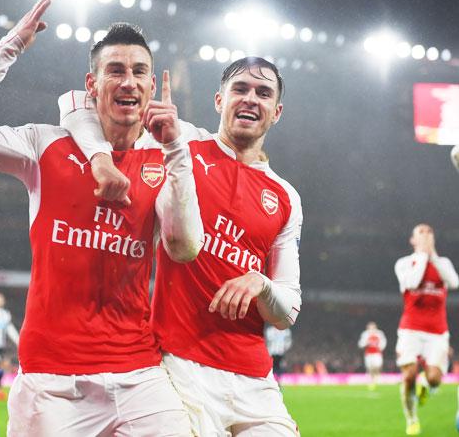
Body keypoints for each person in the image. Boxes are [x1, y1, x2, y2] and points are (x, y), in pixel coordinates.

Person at [0, 0, 203, 437]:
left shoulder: (169, 152)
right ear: (91, 85)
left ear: (153, 86)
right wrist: (10, 47)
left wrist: (175, 147)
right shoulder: (45, 145)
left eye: (140, 72)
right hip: (52, 379)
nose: (129, 81)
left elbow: (184, 246)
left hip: (137, 370)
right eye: (115, 70)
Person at [60, 55, 302, 436]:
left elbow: (287, 310)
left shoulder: (286, 197)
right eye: (239, 89)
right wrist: (100, 158)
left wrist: (261, 283)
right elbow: (76, 103)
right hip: (180, 367)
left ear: (277, 111)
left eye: (263, 93)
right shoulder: (182, 141)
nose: (251, 98)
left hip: (255, 380)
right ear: (219, 100)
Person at [395, 224, 458, 436]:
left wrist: (433, 256)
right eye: (420, 233)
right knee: (409, 374)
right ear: (412, 240)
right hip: (410, 329)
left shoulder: (443, 263)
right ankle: (412, 419)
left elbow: (454, 282)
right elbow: (412, 283)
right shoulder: (404, 263)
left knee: (434, 379)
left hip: (437, 331)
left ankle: (425, 383)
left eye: (429, 233)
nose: (425, 236)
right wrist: (422, 255)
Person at [0, 292, 19, 398]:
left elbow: (10, 329)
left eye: (1, 299)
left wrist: (18, 341)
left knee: (1, 366)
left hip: (1, 344)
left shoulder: (6, 314)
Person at [357, 321, 386, 390]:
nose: (371, 329)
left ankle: (376, 379)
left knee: (377, 365)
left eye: (373, 327)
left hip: (377, 354)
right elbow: (360, 344)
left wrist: (381, 347)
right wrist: (366, 343)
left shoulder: (379, 334)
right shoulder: (365, 334)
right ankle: (371, 381)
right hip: (369, 354)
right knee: (370, 368)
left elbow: (383, 342)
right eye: (370, 327)